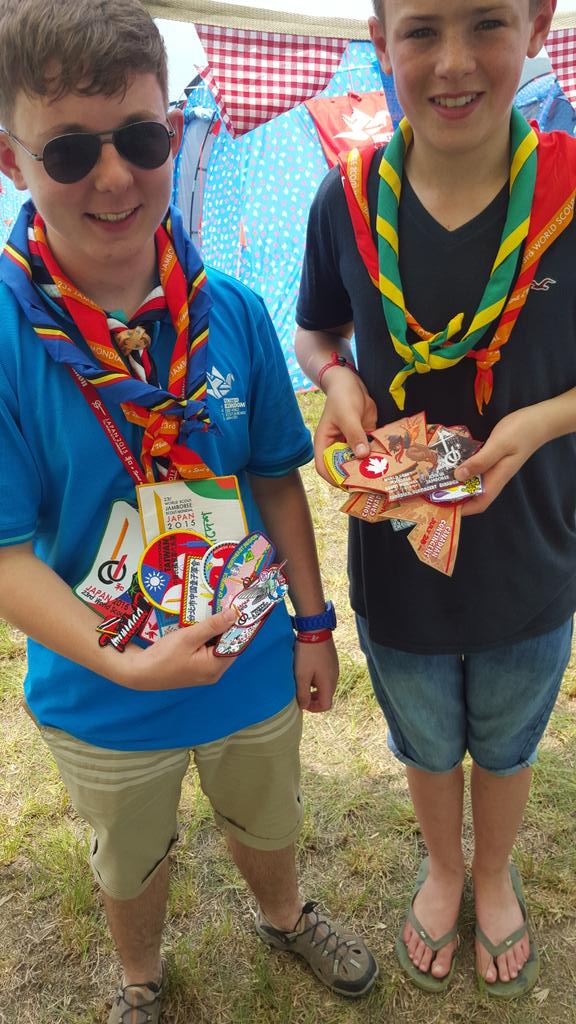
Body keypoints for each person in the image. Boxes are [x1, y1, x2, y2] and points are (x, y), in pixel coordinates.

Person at [0, 1, 378, 1021]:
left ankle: (286, 913)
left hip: (246, 654)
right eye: (72, 150)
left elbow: (272, 479)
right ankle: (140, 980)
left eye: (141, 137)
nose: (116, 176)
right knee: (130, 856)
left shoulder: (234, 312)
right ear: (10, 158)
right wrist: (123, 658)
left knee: (266, 815)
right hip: (100, 683)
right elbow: (4, 556)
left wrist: (311, 621)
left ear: (173, 128)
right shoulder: (3, 338)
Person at [295, 0, 575, 1000]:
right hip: (398, 557)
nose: (452, 61)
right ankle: (445, 867)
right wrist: (335, 383)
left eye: (486, 21)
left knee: (505, 735)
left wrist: (540, 423)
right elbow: (318, 332)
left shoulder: (571, 197)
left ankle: (492, 873)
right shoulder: (348, 200)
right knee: (422, 728)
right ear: (379, 42)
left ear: (539, 24)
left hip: (535, 548)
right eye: (420, 29)